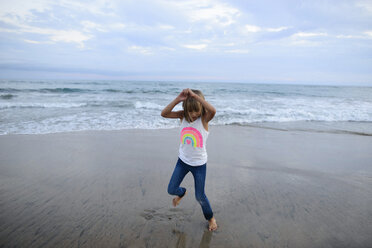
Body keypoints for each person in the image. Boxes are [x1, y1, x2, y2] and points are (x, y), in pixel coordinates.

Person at [161, 88, 218, 231]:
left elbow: (213, 110)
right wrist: (178, 99)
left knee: (199, 196)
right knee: (171, 189)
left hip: (199, 165)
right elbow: (164, 113)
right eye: (190, 111)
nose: (193, 115)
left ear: (201, 108)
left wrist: (195, 97)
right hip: (182, 161)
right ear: (185, 109)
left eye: (196, 111)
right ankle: (182, 192)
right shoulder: (183, 116)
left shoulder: (204, 119)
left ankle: (211, 218)